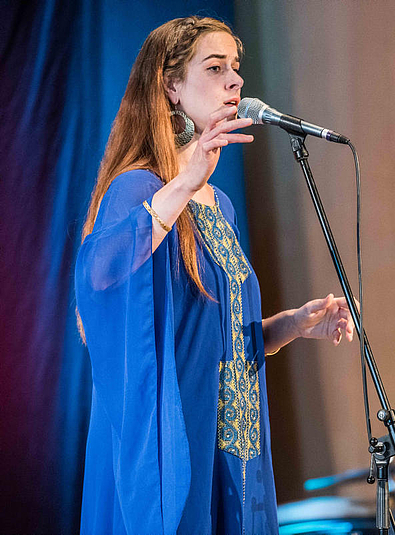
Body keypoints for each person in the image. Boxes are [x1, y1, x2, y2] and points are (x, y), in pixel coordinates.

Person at [75, 17, 354, 534]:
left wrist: (293, 324)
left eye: (236, 67)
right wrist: (185, 182)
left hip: (234, 443)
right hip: (178, 441)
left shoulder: (220, 203)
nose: (236, 80)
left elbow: (218, 336)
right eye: (215, 67)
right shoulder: (138, 188)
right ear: (171, 87)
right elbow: (99, 278)